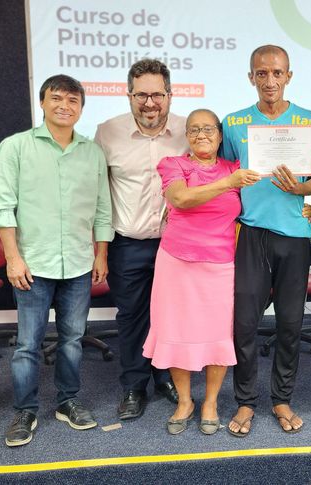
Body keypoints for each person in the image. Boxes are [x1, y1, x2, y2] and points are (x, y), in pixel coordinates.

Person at [0, 75, 113, 447]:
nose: (64, 106)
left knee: (73, 339)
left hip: (78, 262)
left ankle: (67, 401)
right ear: (42, 103)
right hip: (32, 264)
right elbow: (3, 208)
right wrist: (13, 259)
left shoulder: (92, 152)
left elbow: (102, 209)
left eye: (73, 100)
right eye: (56, 98)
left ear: (81, 108)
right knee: (28, 344)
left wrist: (101, 253)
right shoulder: (16, 147)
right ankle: (25, 411)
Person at [221, 45, 311, 436]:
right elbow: (226, 179)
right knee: (245, 323)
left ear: (288, 76)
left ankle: (282, 398)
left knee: (290, 323)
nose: (270, 80)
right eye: (261, 73)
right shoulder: (234, 123)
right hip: (250, 233)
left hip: (294, 235)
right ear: (251, 77)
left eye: (277, 73)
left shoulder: (309, 120)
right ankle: (246, 401)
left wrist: (301, 191)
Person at [143, 109, 260, 435]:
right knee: (176, 332)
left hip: (220, 266)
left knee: (217, 334)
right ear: (187, 136)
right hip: (176, 264)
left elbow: (260, 200)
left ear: (220, 136)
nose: (201, 135)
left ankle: (210, 402)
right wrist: (228, 184)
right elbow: (181, 198)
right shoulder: (173, 165)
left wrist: (302, 206)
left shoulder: (235, 168)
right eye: (194, 129)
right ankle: (185, 401)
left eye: (208, 129)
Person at [95, 59, 186, 420]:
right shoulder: (107, 132)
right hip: (128, 243)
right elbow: (100, 194)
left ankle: (165, 376)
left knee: (171, 315)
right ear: (129, 95)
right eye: (141, 95)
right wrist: (101, 249)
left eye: (157, 95)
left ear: (170, 95)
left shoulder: (189, 130)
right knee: (132, 316)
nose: (150, 103)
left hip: (175, 244)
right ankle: (134, 385)